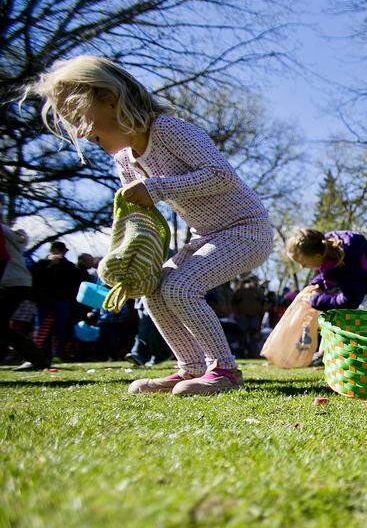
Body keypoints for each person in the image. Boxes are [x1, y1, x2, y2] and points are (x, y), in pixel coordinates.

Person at [24, 55, 274, 395]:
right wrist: (130, 257)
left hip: (246, 229)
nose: (81, 132)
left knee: (180, 288)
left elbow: (221, 177)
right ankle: (191, 368)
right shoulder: (125, 161)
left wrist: (155, 188)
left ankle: (225, 370)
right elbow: (141, 218)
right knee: (153, 290)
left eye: (80, 117)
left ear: (110, 99)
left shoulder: (169, 130)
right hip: (207, 236)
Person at [286, 229, 367, 312]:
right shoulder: (327, 248)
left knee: (361, 336)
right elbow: (327, 272)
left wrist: (316, 300)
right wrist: (317, 284)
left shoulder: (348, 261)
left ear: (318, 256)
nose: (301, 266)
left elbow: (351, 300)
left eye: (303, 263)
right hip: (366, 292)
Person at [29, 241, 83, 367]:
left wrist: (60, 265)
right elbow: (36, 280)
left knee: (60, 328)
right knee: (41, 328)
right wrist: (50, 264)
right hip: (44, 300)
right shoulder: (41, 264)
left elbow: (74, 282)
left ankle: (57, 354)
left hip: (62, 300)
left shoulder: (69, 266)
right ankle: (40, 354)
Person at [1, 224, 45, 370]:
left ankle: (37, 358)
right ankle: (37, 358)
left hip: (9, 281)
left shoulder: (3, 232)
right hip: (17, 280)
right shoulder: (8, 232)